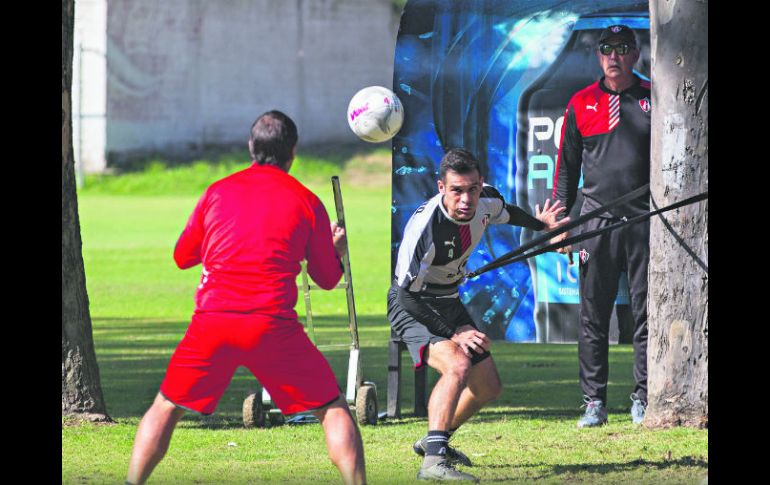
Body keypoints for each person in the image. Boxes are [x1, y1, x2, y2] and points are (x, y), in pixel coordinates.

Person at [126, 111, 366, 485]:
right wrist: (337, 249)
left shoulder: (216, 192)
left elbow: (181, 257)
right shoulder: (307, 201)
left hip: (213, 321)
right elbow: (327, 277)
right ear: (294, 152)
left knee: (166, 405)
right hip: (272, 324)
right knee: (333, 408)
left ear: (252, 148)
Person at [388, 148, 568, 482]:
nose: (466, 198)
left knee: (487, 387)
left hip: (448, 300)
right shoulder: (425, 229)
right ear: (441, 187)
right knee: (457, 364)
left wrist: (542, 225)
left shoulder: (485, 201)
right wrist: (454, 334)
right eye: (457, 190)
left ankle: (433, 442)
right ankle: (433, 463)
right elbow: (405, 296)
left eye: (472, 188)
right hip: (413, 305)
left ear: (481, 182)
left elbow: (507, 213)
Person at [551, 25, 651, 428]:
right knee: (594, 316)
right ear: (598, 56)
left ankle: (643, 397)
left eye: (622, 49)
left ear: (636, 54)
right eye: (606, 49)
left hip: (646, 221)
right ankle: (594, 402)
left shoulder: (653, 98)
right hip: (595, 223)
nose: (614, 56)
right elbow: (565, 172)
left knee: (647, 314)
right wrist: (561, 224)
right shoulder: (581, 102)